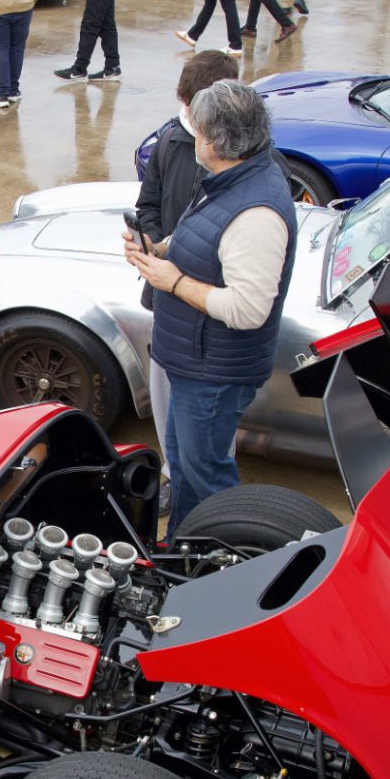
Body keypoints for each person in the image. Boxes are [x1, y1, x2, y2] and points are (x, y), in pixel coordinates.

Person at [122, 81, 293, 538]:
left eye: (195, 132)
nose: (190, 139)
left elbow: (248, 309)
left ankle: (225, 554)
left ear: (215, 143)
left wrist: (172, 281)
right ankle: (182, 546)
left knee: (207, 476)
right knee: (185, 466)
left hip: (214, 373)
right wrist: (156, 249)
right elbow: (207, 244)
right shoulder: (231, 180)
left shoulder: (256, 212)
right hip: (194, 362)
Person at [133, 49, 238, 466]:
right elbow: (148, 204)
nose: (190, 124)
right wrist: (153, 244)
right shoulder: (171, 142)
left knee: (209, 425)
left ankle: (204, 488)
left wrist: (176, 264)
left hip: (210, 309)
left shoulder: (241, 159)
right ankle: (176, 479)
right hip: (166, 298)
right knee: (166, 404)